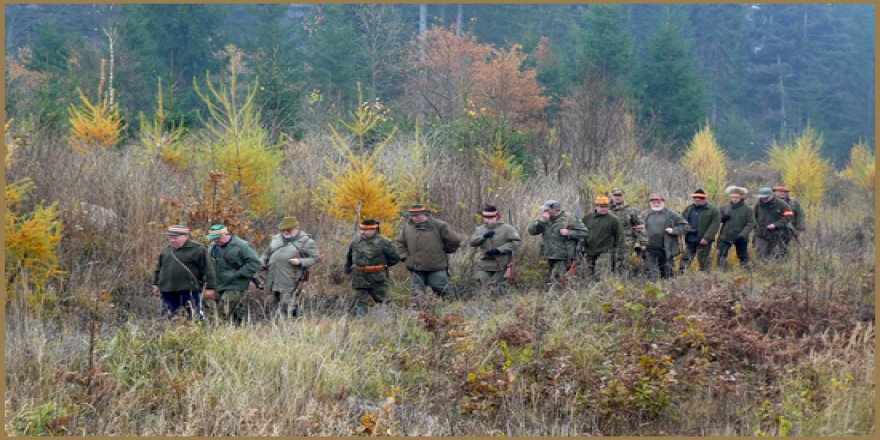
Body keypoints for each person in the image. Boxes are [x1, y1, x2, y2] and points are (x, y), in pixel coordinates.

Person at [394, 204, 462, 299]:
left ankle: (451, 312)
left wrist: (442, 252)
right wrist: (404, 256)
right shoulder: (407, 227)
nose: (414, 218)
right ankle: (418, 313)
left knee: (444, 292)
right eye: (412, 216)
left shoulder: (440, 225)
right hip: (415, 268)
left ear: (425, 214)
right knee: (417, 295)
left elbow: (454, 241)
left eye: (417, 215)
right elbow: (399, 242)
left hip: (436, 267)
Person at [152, 225, 216, 319]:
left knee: (194, 316)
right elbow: (159, 269)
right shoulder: (166, 251)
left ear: (185, 236)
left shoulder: (198, 250)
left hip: (189, 290)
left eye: (175, 238)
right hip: (167, 290)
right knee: (169, 316)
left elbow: (208, 270)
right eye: (170, 237)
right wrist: (156, 284)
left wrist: (210, 288)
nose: (172, 240)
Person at [261, 216, 321, 317]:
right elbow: (266, 254)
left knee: (287, 302)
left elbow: (316, 258)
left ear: (296, 228)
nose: (285, 232)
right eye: (283, 229)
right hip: (272, 277)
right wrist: (261, 262)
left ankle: (299, 320)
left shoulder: (307, 241)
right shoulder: (276, 238)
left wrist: (300, 261)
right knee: (276, 302)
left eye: (288, 229)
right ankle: (280, 324)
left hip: (290, 277)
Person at [205, 224, 262, 323]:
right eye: (214, 239)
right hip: (218, 283)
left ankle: (217, 332)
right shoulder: (212, 247)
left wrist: (238, 274)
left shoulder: (242, 246)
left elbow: (255, 263)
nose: (216, 240)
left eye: (218, 238)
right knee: (222, 310)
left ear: (225, 234)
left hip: (235, 284)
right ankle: (239, 328)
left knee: (223, 311)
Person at [345, 219, 401, 316]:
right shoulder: (356, 241)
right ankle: (360, 323)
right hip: (359, 277)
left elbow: (395, 258)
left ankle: (393, 319)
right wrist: (347, 270)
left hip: (377, 277)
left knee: (383, 300)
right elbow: (349, 257)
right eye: (361, 229)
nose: (363, 232)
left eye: (366, 230)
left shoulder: (384, 242)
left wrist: (381, 267)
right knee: (360, 301)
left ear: (374, 230)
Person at [527, 200, 589, 286]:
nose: (544, 211)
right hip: (548, 255)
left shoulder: (569, 218)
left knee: (559, 279)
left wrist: (569, 233)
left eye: (546, 209)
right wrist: (541, 222)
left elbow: (584, 233)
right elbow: (531, 231)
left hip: (563, 256)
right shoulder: (544, 220)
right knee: (550, 280)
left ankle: (560, 296)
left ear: (555, 209)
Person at [468, 204, 521, 296]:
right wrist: (483, 236)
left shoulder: (507, 228)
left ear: (497, 216)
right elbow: (472, 242)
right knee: (482, 285)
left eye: (490, 217)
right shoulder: (480, 229)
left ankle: (500, 306)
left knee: (497, 288)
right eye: (485, 217)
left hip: (501, 263)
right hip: (485, 262)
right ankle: (485, 306)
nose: (488, 219)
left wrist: (499, 250)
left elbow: (516, 242)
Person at [637, 195, 689, 280]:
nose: (656, 204)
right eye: (654, 202)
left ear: (663, 202)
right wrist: (641, 243)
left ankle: (668, 291)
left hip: (666, 249)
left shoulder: (671, 213)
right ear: (650, 203)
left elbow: (685, 226)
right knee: (650, 273)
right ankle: (652, 290)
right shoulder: (644, 214)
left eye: (659, 202)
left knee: (668, 274)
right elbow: (636, 228)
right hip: (649, 249)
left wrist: (673, 230)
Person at [581, 196, 624, 282]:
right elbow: (581, 233)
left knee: (602, 276)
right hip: (588, 251)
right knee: (588, 275)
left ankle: (603, 293)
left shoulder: (613, 220)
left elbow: (620, 237)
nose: (604, 209)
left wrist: (619, 253)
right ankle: (589, 293)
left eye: (606, 207)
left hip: (604, 252)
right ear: (596, 206)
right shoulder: (587, 218)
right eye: (601, 206)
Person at [678, 189, 721, 274]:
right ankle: (681, 274)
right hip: (690, 238)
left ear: (704, 199)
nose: (697, 201)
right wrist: (684, 230)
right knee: (686, 257)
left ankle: (706, 275)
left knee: (703, 259)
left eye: (699, 199)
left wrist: (706, 238)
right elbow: (682, 220)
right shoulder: (689, 209)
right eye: (695, 199)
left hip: (703, 239)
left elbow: (715, 225)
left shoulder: (713, 210)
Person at [716, 186, 756, 270]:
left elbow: (751, 223)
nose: (734, 199)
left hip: (741, 237)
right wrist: (722, 219)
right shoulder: (724, 207)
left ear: (741, 197)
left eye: (736, 197)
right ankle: (721, 273)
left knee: (743, 257)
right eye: (732, 197)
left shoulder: (747, 209)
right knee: (721, 256)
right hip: (725, 236)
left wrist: (743, 234)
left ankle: (746, 273)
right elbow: (717, 219)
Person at [608, 187, 644, 275]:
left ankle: (623, 283)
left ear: (623, 196)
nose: (617, 197)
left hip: (627, 241)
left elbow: (640, 226)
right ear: (612, 197)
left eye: (619, 195)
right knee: (609, 262)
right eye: (615, 195)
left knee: (623, 263)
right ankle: (610, 283)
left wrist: (642, 242)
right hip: (610, 241)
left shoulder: (631, 210)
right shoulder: (606, 210)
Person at [753, 187, 793, 261]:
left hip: (777, 233)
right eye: (762, 197)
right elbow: (753, 218)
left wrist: (775, 225)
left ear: (772, 195)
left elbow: (789, 216)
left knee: (779, 254)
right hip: (761, 234)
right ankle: (761, 269)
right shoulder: (758, 205)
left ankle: (778, 269)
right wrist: (756, 227)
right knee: (760, 255)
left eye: (766, 197)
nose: (764, 199)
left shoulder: (782, 204)